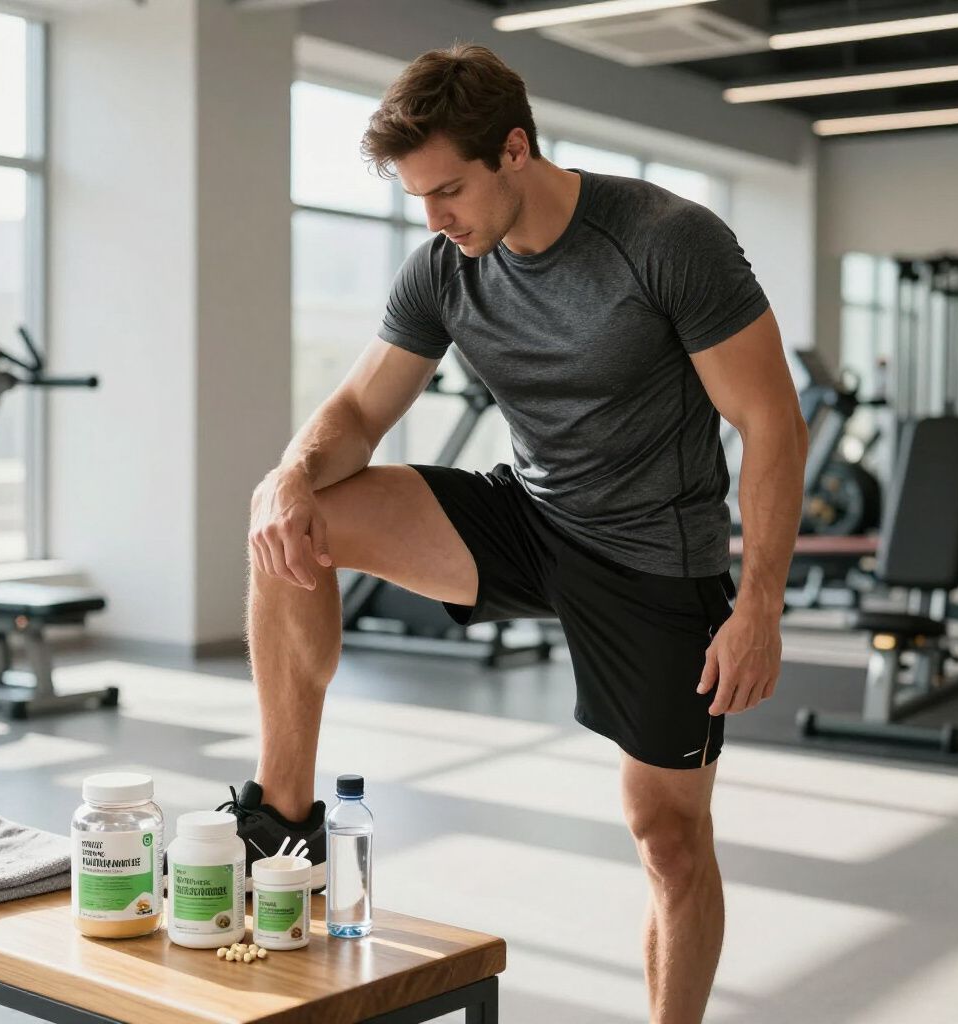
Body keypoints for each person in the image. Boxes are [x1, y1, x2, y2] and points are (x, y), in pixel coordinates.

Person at [225, 44, 805, 1024]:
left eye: (448, 190)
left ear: (515, 150)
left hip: (653, 559)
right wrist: (285, 474)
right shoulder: (444, 268)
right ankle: (283, 824)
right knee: (295, 516)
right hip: (529, 517)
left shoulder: (666, 240)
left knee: (668, 840)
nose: (435, 219)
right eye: (418, 197)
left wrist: (760, 607)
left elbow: (772, 423)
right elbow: (357, 414)